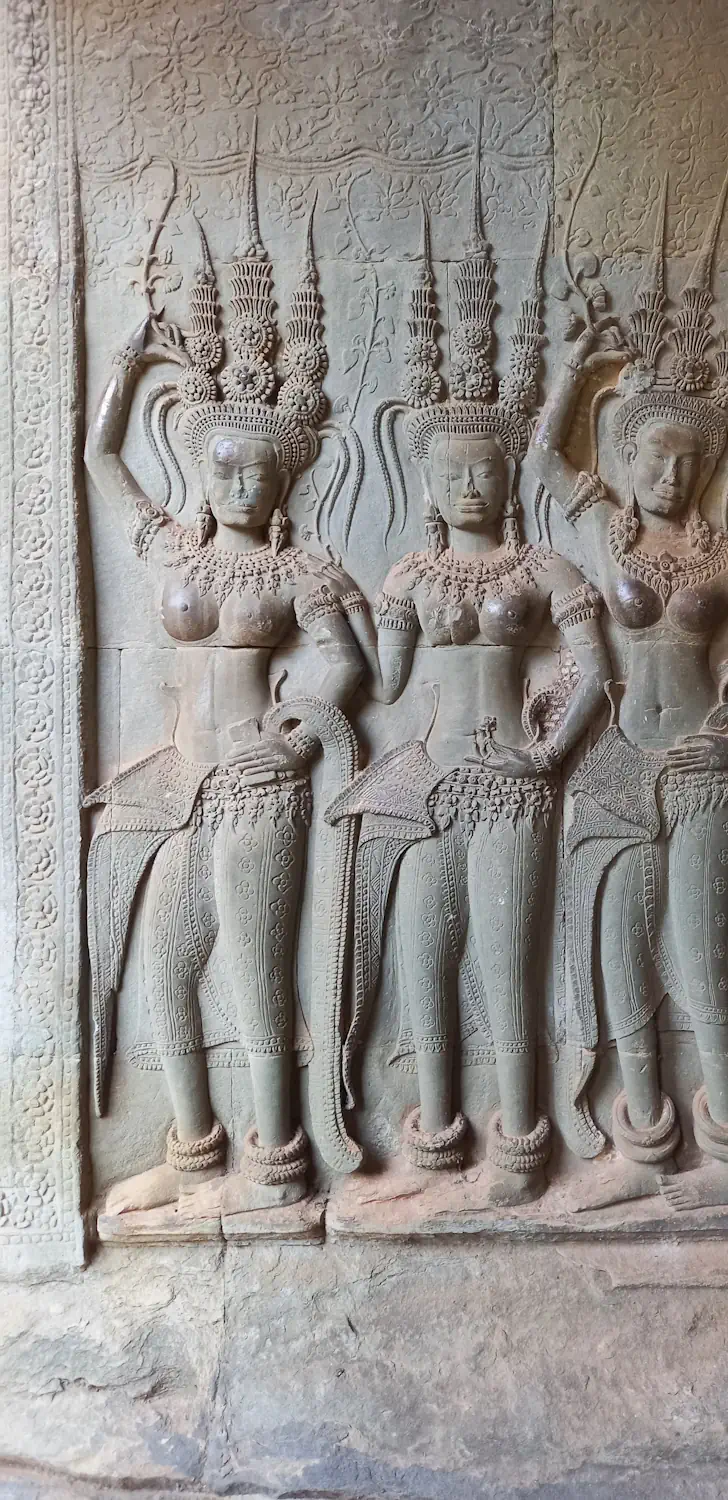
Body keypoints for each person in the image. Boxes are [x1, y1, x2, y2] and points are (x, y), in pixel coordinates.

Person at [85, 149, 372, 1217]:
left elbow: (344, 661)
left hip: (259, 787)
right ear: (202, 470)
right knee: (167, 969)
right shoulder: (176, 551)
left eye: (261, 469)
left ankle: (276, 1164)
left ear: (286, 477)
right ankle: (194, 1151)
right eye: (225, 467)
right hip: (180, 786)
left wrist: (295, 733)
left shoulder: (297, 572)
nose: (243, 482)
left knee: (256, 977)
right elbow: (102, 463)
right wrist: (127, 368)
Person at [526, 177, 728, 1211]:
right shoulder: (605, 529)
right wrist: (574, 371)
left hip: (698, 765)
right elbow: (541, 459)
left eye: (690, 459)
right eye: (656, 452)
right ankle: (644, 1145)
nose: (672, 472)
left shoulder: (727, 558)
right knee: (619, 958)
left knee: (700, 959)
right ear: (629, 452)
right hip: (612, 765)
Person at [330, 189, 610, 1208]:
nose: (470, 487)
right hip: (427, 782)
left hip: (513, 784)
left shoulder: (541, 567)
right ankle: (437, 1142)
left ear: (506, 477)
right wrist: (342, 619)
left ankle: (523, 1148)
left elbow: (594, 667)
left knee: (505, 968)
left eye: (485, 470)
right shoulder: (409, 576)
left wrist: (550, 749)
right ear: (428, 484)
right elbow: (385, 683)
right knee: (424, 963)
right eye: (452, 473)